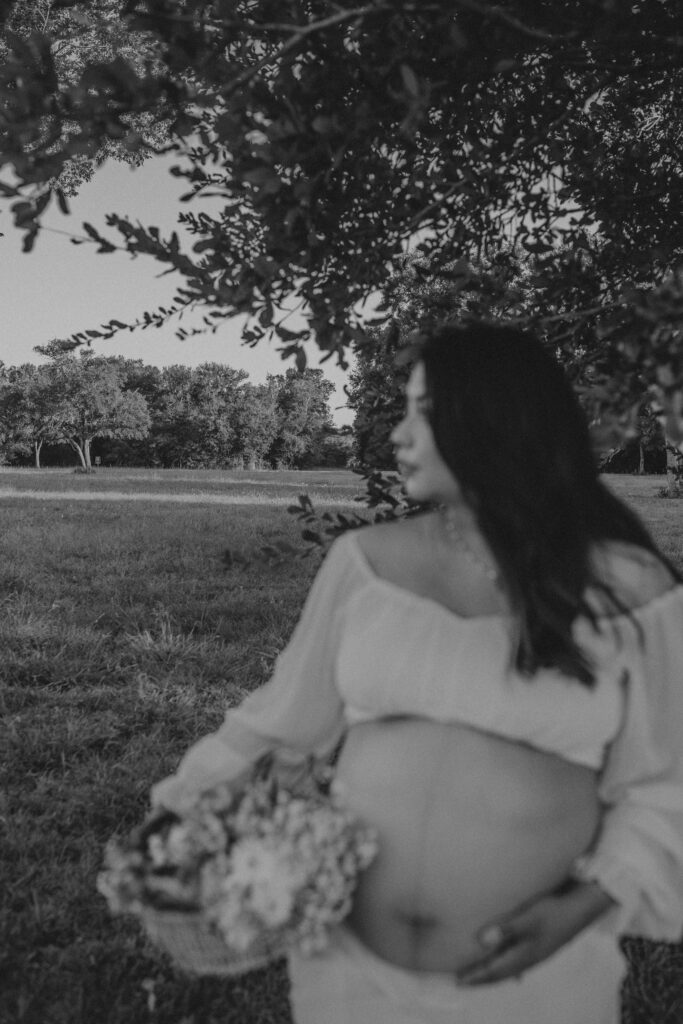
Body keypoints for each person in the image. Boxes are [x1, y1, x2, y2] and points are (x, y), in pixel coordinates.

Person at [152, 324, 683, 1024]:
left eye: (423, 411)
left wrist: (583, 907)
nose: (398, 435)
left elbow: (666, 778)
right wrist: (178, 816)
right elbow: (280, 720)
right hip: (345, 967)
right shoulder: (363, 564)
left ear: (500, 417)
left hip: (538, 981)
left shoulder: (629, 590)